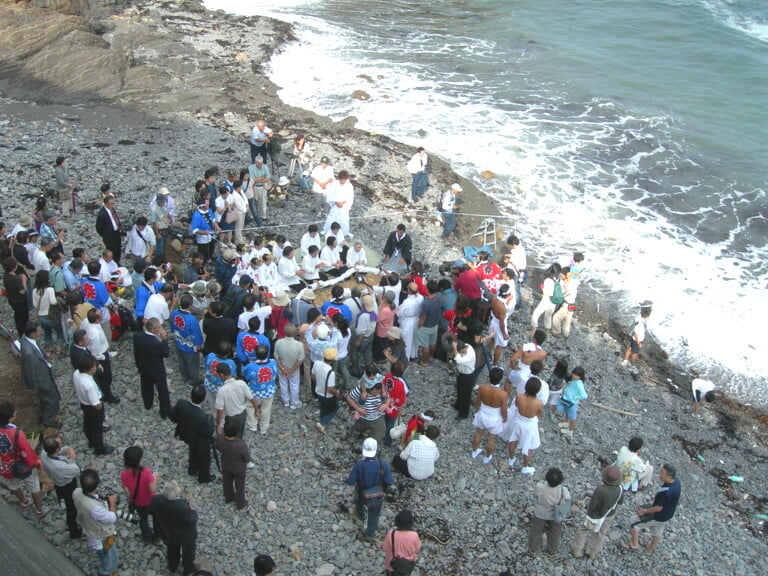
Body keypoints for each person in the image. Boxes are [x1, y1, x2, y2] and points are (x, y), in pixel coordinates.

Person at [0, 402, 49, 518]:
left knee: (13, 485)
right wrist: (36, 462)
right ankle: (39, 510)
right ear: (11, 417)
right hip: (21, 466)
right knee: (34, 487)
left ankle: (23, 501)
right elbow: (27, 451)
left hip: (5, 465)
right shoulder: (16, 433)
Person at [623, 464, 681, 553]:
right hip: (668, 514)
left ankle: (634, 545)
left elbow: (658, 508)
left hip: (658, 515)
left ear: (669, 476)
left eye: (662, 473)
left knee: (633, 522)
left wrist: (644, 511)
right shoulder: (677, 482)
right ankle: (650, 548)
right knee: (658, 530)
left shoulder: (667, 492)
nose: (659, 474)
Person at [346, 438, 394, 541]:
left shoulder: (359, 464)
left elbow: (351, 481)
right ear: (376, 450)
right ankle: (370, 534)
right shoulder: (383, 464)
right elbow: (389, 482)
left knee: (358, 501)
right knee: (374, 514)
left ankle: (360, 514)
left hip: (362, 491)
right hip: (376, 494)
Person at [73, 469, 119, 576]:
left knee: (102, 552)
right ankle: (106, 571)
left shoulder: (76, 492)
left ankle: (110, 563)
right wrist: (112, 503)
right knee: (108, 552)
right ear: (96, 485)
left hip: (88, 529)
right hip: (101, 535)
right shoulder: (95, 508)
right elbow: (111, 517)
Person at [571, 466, 623, 560]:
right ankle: (592, 552)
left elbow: (593, 505)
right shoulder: (620, 489)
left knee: (583, 529)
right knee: (601, 533)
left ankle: (577, 550)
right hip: (609, 515)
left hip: (595, 516)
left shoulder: (600, 490)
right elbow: (620, 502)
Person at [151, 480, 199, 575]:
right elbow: (192, 521)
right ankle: (188, 569)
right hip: (186, 535)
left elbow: (151, 510)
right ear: (177, 493)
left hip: (169, 532)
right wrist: (193, 511)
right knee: (188, 553)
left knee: (172, 549)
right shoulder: (183, 507)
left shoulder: (157, 499)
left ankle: (172, 566)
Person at [169, 385, 216, 484]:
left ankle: (192, 469)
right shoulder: (201, 416)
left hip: (185, 434)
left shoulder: (181, 403)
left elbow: (173, 416)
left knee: (192, 451)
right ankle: (204, 477)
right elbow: (208, 432)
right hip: (199, 439)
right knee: (204, 457)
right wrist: (211, 424)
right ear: (203, 399)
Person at [20, 321, 62, 429]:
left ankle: (43, 415)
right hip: (41, 379)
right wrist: (33, 386)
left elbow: (38, 347)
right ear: (32, 333)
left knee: (45, 399)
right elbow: (28, 370)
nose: (40, 333)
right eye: (38, 331)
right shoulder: (28, 352)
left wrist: (44, 355)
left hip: (43, 372)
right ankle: (49, 420)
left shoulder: (29, 340)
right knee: (51, 398)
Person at [40, 435, 82, 538]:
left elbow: (59, 451)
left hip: (57, 484)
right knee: (72, 507)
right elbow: (75, 470)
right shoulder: (60, 466)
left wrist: (68, 449)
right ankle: (74, 530)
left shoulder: (43, 454)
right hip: (67, 485)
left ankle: (61, 502)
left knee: (62, 497)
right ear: (57, 449)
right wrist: (72, 459)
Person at [72, 354, 114, 455]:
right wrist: (100, 406)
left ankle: (91, 441)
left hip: (83, 403)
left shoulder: (76, 373)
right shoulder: (89, 385)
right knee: (97, 428)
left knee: (87, 423)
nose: (96, 367)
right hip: (92, 407)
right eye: (95, 366)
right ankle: (99, 448)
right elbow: (96, 404)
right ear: (90, 369)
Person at [502, 377, 544, 474]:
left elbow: (516, 405)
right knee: (527, 446)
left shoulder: (519, 396)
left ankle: (511, 459)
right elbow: (540, 414)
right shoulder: (538, 403)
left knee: (512, 441)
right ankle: (525, 466)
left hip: (518, 421)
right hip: (529, 425)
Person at [133, 317, 172, 419]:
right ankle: (165, 412)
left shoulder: (137, 337)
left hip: (144, 368)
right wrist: (164, 340)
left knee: (146, 387)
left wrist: (138, 365)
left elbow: (136, 352)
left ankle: (148, 404)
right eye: (159, 327)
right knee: (162, 391)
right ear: (153, 329)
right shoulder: (156, 343)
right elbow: (165, 353)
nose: (160, 329)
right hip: (157, 371)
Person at [528, 467, 571, 556]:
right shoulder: (563, 490)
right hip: (555, 515)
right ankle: (551, 551)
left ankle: (532, 549)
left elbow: (536, 495)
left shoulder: (540, 487)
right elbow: (568, 499)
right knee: (555, 533)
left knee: (536, 530)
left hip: (540, 513)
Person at [470, 366, 509, 464]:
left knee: (478, 432)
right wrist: (505, 417)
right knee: (491, 438)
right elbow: (503, 409)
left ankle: (474, 451)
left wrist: (476, 411)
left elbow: (478, 402)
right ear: (500, 379)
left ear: (489, 377)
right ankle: (487, 456)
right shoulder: (503, 394)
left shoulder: (482, 388)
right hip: (495, 418)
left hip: (483, 413)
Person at [120, 446, 158, 544]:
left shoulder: (124, 474)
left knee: (143, 519)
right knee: (156, 518)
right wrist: (155, 478)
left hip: (137, 502)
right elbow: (152, 488)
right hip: (151, 501)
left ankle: (147, 537)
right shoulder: (146, 472)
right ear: (139, 459)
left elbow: (126, 491)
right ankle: (157, 536)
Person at [215, 362, 259, 440]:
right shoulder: (242, 383)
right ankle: (238, 446)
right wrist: (256, 410)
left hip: (229, 417)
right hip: (241, 414)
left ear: (221, 375)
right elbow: (252, 398)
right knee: (239, 434)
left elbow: (220, 410)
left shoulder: (221, 391)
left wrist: (218, 424)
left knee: (228, 436)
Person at [216, 418, 251, 510]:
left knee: (227, 482)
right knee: (240, 486)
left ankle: (229, 497)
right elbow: (247, 458)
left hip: (226, 465)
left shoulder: (220, 440)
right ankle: (240, 503)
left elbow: (218, 447)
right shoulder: (241, 444)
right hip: (239, 468)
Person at [170, 293, 204, 386]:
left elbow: (172, 326)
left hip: (178, 341)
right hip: (189, 345)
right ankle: (193, 379)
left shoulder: (175, 313)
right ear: (190, 305)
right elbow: (197, 334)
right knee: (192, 363)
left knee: (181, 361)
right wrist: (199, 345)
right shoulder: (191, 319)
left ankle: (184, 377)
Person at [243, 344, 278, 434]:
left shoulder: (250, 366)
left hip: (254, 392)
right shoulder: (273, 363)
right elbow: (275, 373)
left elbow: (246, 376)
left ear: (255, 354)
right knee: (266, 409)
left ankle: (252, 425)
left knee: (250, 407)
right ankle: (264, 428)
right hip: (268, 391)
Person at [381, 509, 422, 575]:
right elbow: (417, 550)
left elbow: (384, 548)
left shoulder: (391, 533)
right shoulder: (414, 535)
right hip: (407, 566)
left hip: (392, 565)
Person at [275, 324, 305, 409]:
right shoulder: (299, 345)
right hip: (294, 370)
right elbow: (300, 361)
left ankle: (286, 401)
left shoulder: (278, 342)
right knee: (294, 386)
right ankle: (294, 402)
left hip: (282, 369)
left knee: (283, 384)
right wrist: (291, 370)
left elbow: (276, 357)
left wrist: (283, 369)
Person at [314, 348, 341, 433]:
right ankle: (322, 423)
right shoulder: (331, 372)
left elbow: (312, 376)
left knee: (323, 407)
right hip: (327, 395)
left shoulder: (317, 363)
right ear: (332, 360)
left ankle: (322, 417)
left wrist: (320, 382)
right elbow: (329, 389)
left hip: (318, 391)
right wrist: (336, 393)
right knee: (335, 408)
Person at [530, 263, 562, 336]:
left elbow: (546, 292)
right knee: (548, 316)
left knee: (536, 314)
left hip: (546, 300)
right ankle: (547, 332)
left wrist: (542, 287)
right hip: (554, 301)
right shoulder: (559, 280)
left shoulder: (548, 280)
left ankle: (533, 331)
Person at [556, 367, 588, 438]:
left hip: (572, 402)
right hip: (567, 399)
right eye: (573, 374)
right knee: (567, 412)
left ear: (580, 376)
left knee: (573, 417)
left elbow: (584, 395)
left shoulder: (579, 384)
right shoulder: (574, 380)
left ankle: (570, 431)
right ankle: (566, 423)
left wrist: (575, 398)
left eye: (576, 375)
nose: (573, 376)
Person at [622, 304, 652, 375]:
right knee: (634, 354)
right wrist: (639, 343)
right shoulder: (640, 324)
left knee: (630, 349)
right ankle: (632, 366)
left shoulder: (638, 318)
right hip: (636, 340)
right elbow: (636, 334)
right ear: (647, 315)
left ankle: (625, 361)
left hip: (632, 338)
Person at [2, 256, 29, 335]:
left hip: (11, 299)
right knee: (23, 316)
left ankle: (20, 329)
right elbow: (22, 291)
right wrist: (24, 280)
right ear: (14, 267)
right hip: (20, 300)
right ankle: (23, 331)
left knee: (17, 315)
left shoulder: (5, 275)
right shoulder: (15, 279)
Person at [323, 170, 354, 236]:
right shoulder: (334, 184)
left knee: (344, 219)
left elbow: (350, 197)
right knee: (331, 218)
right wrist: (336, 202)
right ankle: (328, 230)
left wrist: (343, 203)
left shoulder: (349, 186)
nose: (343, 181)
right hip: (335, 204)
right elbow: (331, 194)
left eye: (344, 179)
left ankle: (344, 232)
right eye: (341, 179)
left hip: (344, 206)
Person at [452, 338, 477, 420]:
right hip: (461, 373)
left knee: (466, 396)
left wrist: (455, 349)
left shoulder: (469, 356)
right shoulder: (467, 345)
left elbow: (458, 360)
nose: (458, 353)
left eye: (459, 352)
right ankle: (458, 405)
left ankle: (463, 413)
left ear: (461, 349)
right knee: (459, 390)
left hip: (468, 376)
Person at [95, 195, 122, 264]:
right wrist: (104, 235)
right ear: (106, 204)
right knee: (112, 250)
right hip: (109, 236)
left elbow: (116, 219)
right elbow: (98, 227)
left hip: (116, 232)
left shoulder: (112, 209)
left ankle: (117, 262)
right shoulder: (102, 214)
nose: (113, 205)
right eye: (111, 203)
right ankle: (112, 263)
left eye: (113, 203)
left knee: (118, 248)